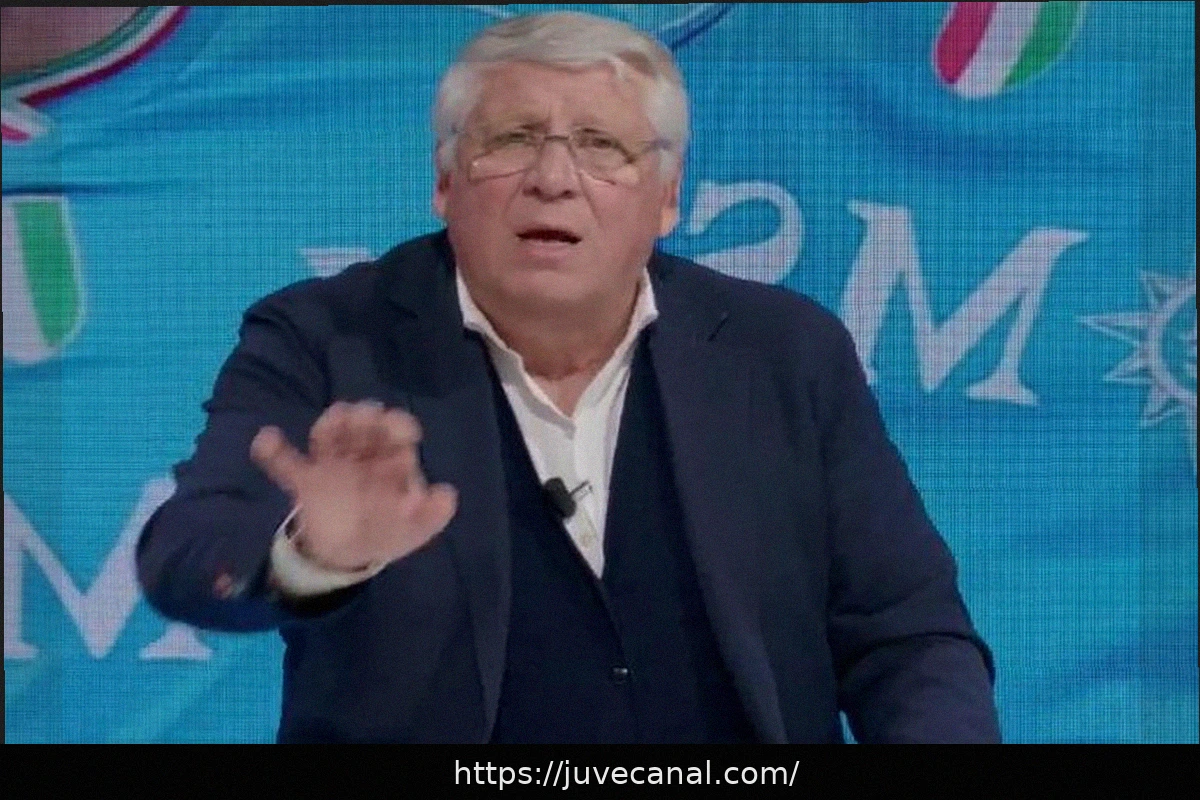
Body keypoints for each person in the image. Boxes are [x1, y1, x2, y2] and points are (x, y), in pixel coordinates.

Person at [136, 10, 1001, 743]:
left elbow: (907, 637)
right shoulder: (325, 338)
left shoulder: (784, 353)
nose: (553, 180)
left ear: (667, 196)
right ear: (445, 181)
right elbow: (187, 557)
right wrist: (311, 556)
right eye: (511, 141)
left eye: (600, 146)